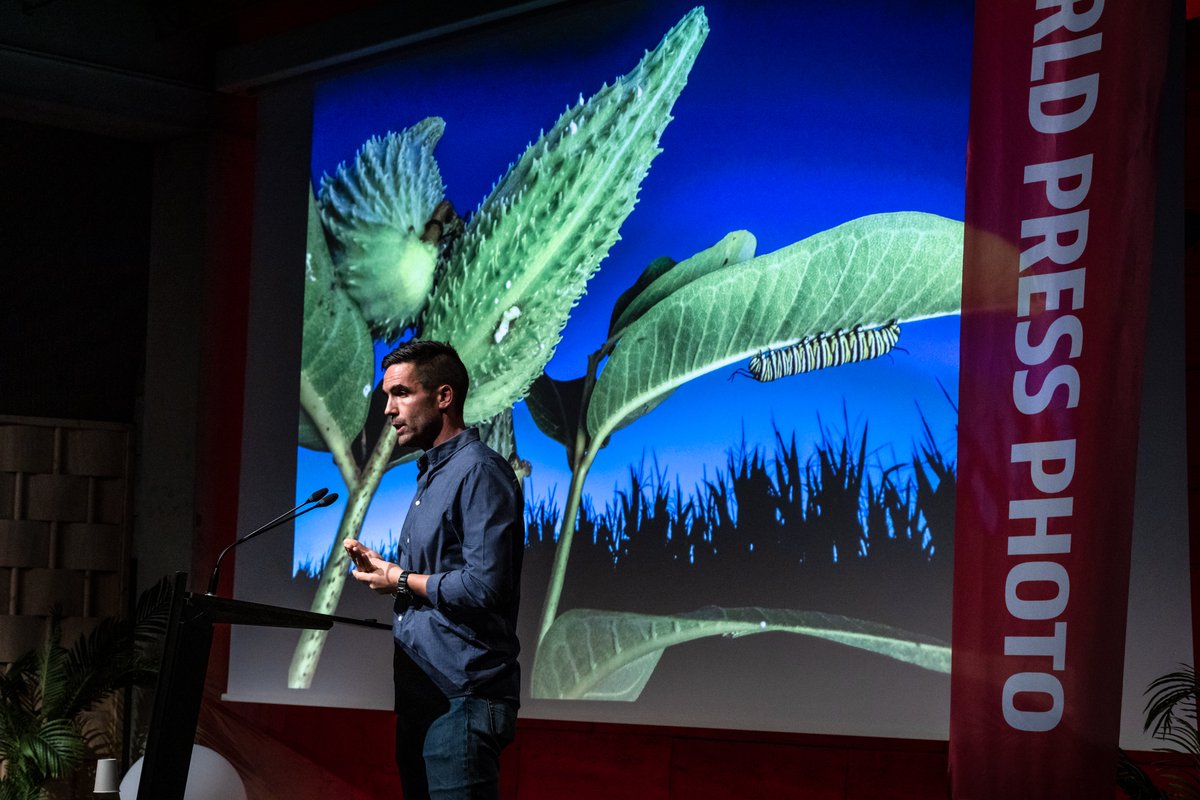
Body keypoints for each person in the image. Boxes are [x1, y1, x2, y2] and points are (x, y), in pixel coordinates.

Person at [343, 340, 523, 800]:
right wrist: (390, 571)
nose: (388, 409)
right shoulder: (433, 476)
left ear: (443, 397)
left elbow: (485, 586)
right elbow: (440, 576)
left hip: (462, 697)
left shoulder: (480, 472)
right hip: (424, 694)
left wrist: (400, 580)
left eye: (401, 393)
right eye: (387, 397)